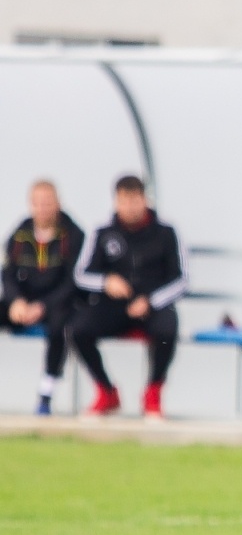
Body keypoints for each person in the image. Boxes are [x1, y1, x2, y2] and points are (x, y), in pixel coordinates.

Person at [72, 176, 186, 418]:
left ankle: (153, 391)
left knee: (168, 329)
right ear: (116, 202)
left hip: (153, 305)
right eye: (124, 201)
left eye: (135, 201)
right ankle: (106, 391)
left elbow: (181, 279)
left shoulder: (166, 233)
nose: (130, 207)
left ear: (144, 200)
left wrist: (150, 301)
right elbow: (81, 275)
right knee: (77, 329)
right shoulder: (102, 232)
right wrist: (106, 281)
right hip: (115, 305)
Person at [2, 180, 85, 415]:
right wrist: (15, 301)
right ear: (31, 205)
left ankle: (46, 393)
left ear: (58, 204)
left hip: (57, 303)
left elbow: (73, 282)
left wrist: (42, 306)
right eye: (38, 203)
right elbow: (7, 273)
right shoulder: (20, 234)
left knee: (63, 325)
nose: (43, 208)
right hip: (23, 302)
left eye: (47, 203)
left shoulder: (73, 235)